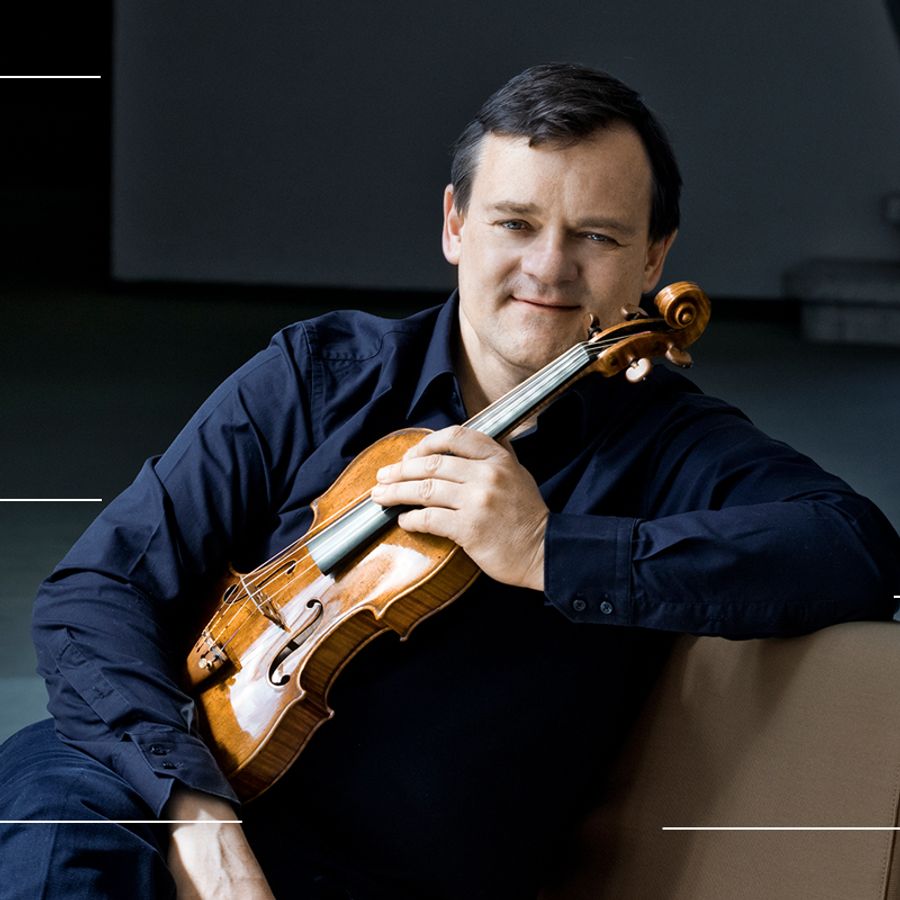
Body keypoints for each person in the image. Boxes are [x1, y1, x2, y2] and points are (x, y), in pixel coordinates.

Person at [1, 63, 898, 900]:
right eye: (516, 223)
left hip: (376, 864)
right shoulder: (321, 372)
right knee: (53, 816)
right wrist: (198, 816)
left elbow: (853, 545)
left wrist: (546, 548)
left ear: (653, 259)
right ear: (455, 225)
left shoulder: (669, 445)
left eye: (597, 235)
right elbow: (97, 588)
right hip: (178, 785)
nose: (549, 268)